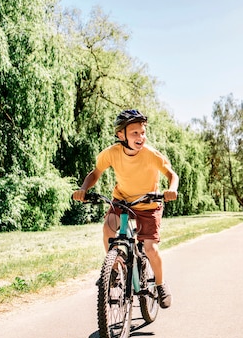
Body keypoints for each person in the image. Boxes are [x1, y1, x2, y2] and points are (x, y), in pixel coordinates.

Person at [72, 109, 179, 308]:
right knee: (108, 229)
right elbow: (95, 173)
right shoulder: (112, 153)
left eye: (143, 132)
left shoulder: (151, 154)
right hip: (122, 200)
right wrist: (83, 189)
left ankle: (160, 284)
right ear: (121, 135)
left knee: (150, 248)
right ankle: (113, 271)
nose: (141, 137)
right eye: (135, 133)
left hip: (149, 203)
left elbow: (173, 175)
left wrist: (171, 190)